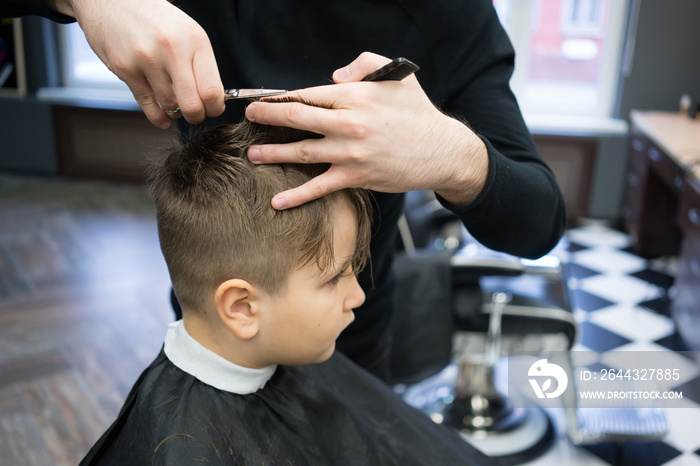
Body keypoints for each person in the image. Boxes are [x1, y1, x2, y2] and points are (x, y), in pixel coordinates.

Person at [1, 0, 567, 381]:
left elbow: (539, 220)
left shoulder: (445, 14)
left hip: (349, 339)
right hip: (210, 321)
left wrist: (452, 156)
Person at [78, 119, 496, 465]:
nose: (358, 298)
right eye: (334, 278)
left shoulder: (283, 356)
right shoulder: (179, 447)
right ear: (242, 308)